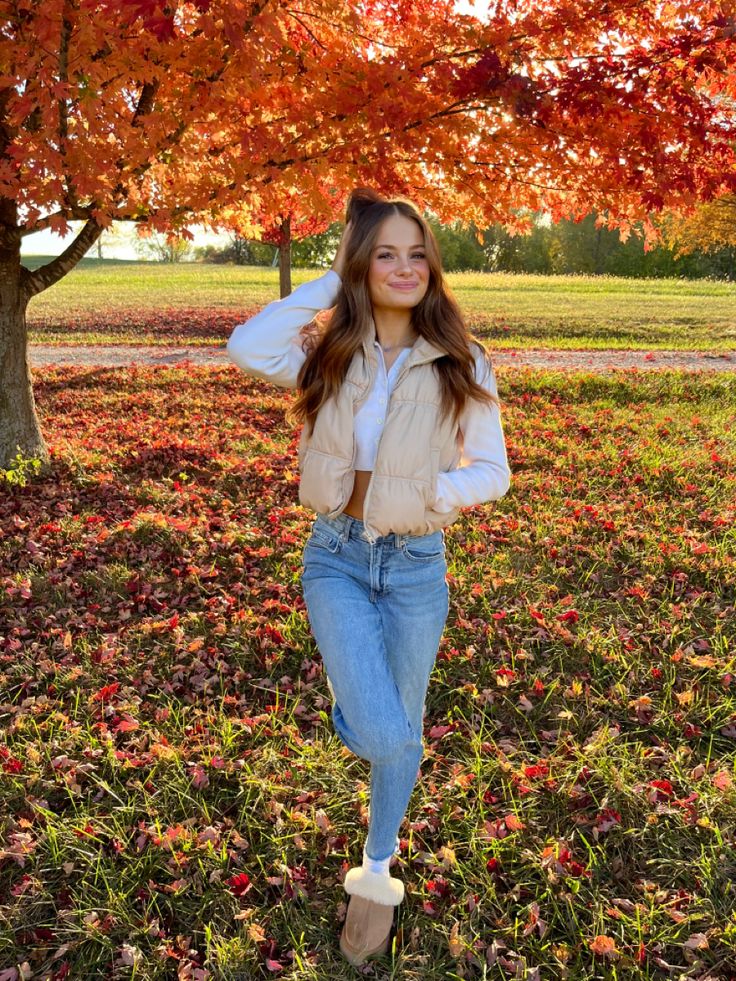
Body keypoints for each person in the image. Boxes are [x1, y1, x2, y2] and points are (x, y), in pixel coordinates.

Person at [226, 187, 511, 965]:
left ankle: (376, 868)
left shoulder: (462, 358)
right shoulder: (331, 354)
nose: (404, 266)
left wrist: (435, 495)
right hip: (338, 556)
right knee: (388, 731)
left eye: (417, 253)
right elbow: (246, 345)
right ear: (361, 262)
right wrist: (330, 284)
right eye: (384, 251)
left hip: (417, 565)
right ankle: (355, 701)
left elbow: (493, 469)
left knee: (402, 734)